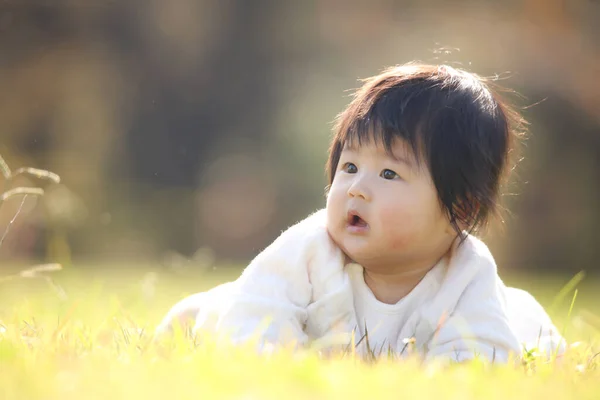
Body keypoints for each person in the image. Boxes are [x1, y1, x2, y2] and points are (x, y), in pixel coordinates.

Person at [157, 63, 565, 363]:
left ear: (459, 208)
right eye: (349, 167)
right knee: (196, 316)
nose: (356, 188)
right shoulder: (308, 250)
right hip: (240, 308)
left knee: (525, 323)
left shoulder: (467, 276)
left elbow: (481, 363)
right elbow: (255, 323)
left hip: (496, 314)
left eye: (389, 173)